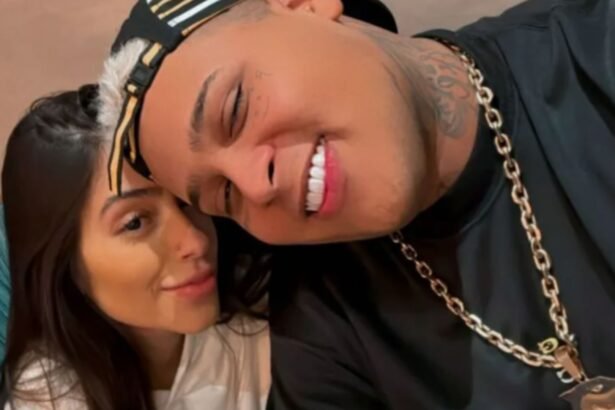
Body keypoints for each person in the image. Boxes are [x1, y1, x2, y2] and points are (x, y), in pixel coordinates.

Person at [97, 0, 615, 408]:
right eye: (224, 196)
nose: (256, 185)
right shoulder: (324, 317)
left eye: (235, 108)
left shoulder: (594, 53)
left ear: (305, 5)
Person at [1, 85, 270, 410]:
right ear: (66, 264)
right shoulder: (49, 396)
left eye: (187, 200)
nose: (196, 241)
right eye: (135, 223)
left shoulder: (275, 337)